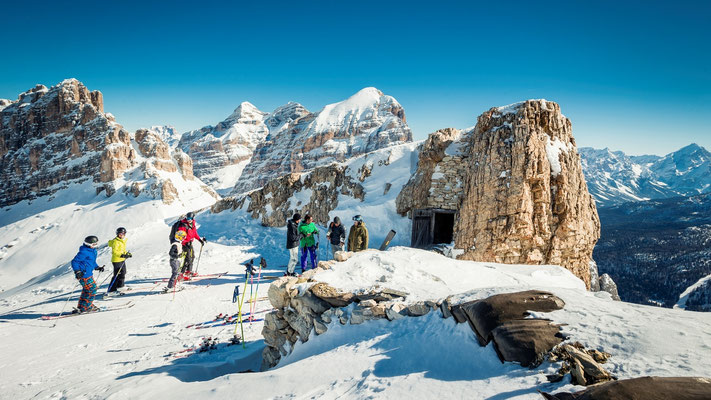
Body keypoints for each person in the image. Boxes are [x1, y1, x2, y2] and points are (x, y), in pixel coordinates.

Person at [70, 236, 104, 313]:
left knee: (87, 290)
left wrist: (97, 267)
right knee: (92, 289)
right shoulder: (84, 252)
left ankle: (83, 306)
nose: (95, 245)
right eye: (94, 244)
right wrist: (77, 271)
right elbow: (74, 262)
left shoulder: (93, 251)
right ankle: (87, 307)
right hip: (83, 274)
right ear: (88, 244)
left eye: (96, 244)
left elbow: (91, 261)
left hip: (88, 273)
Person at [176, 212, 206, 280]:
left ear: (192, 218)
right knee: (187, 258)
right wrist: (183, 242)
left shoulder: (193, 225)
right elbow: (179, 235)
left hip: (190, 243)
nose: (188, 220)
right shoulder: (183, 225)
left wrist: (200, 240)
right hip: (184, 244)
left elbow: (195, 233)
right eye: (187, 218)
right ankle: (181, 274)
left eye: (190, 218)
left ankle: (188, 271)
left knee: (192, 257)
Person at [107, 227, 132, 296]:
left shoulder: (122, 241)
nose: (122, 235)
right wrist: (122, 255)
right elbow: (115, 252)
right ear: (117, 234)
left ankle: (120, 286)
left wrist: (127, 254)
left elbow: (122, 250)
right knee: (117, 275)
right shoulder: (116, 241)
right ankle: (111, 290)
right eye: (120, 234)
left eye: (123, 233)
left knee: (123, 273)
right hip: (116, 260)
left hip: (122, 260)